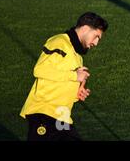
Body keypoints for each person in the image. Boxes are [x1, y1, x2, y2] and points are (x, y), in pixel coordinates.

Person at [20, 12, 108, 140]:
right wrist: (74, 76)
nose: (96, 43)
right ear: (85, 29)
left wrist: (77, 93)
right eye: (96, 37)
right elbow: (40, 70)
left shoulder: (77, 56)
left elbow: (63, 82)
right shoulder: (59, 42)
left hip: (62, 116)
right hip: (44, 112)